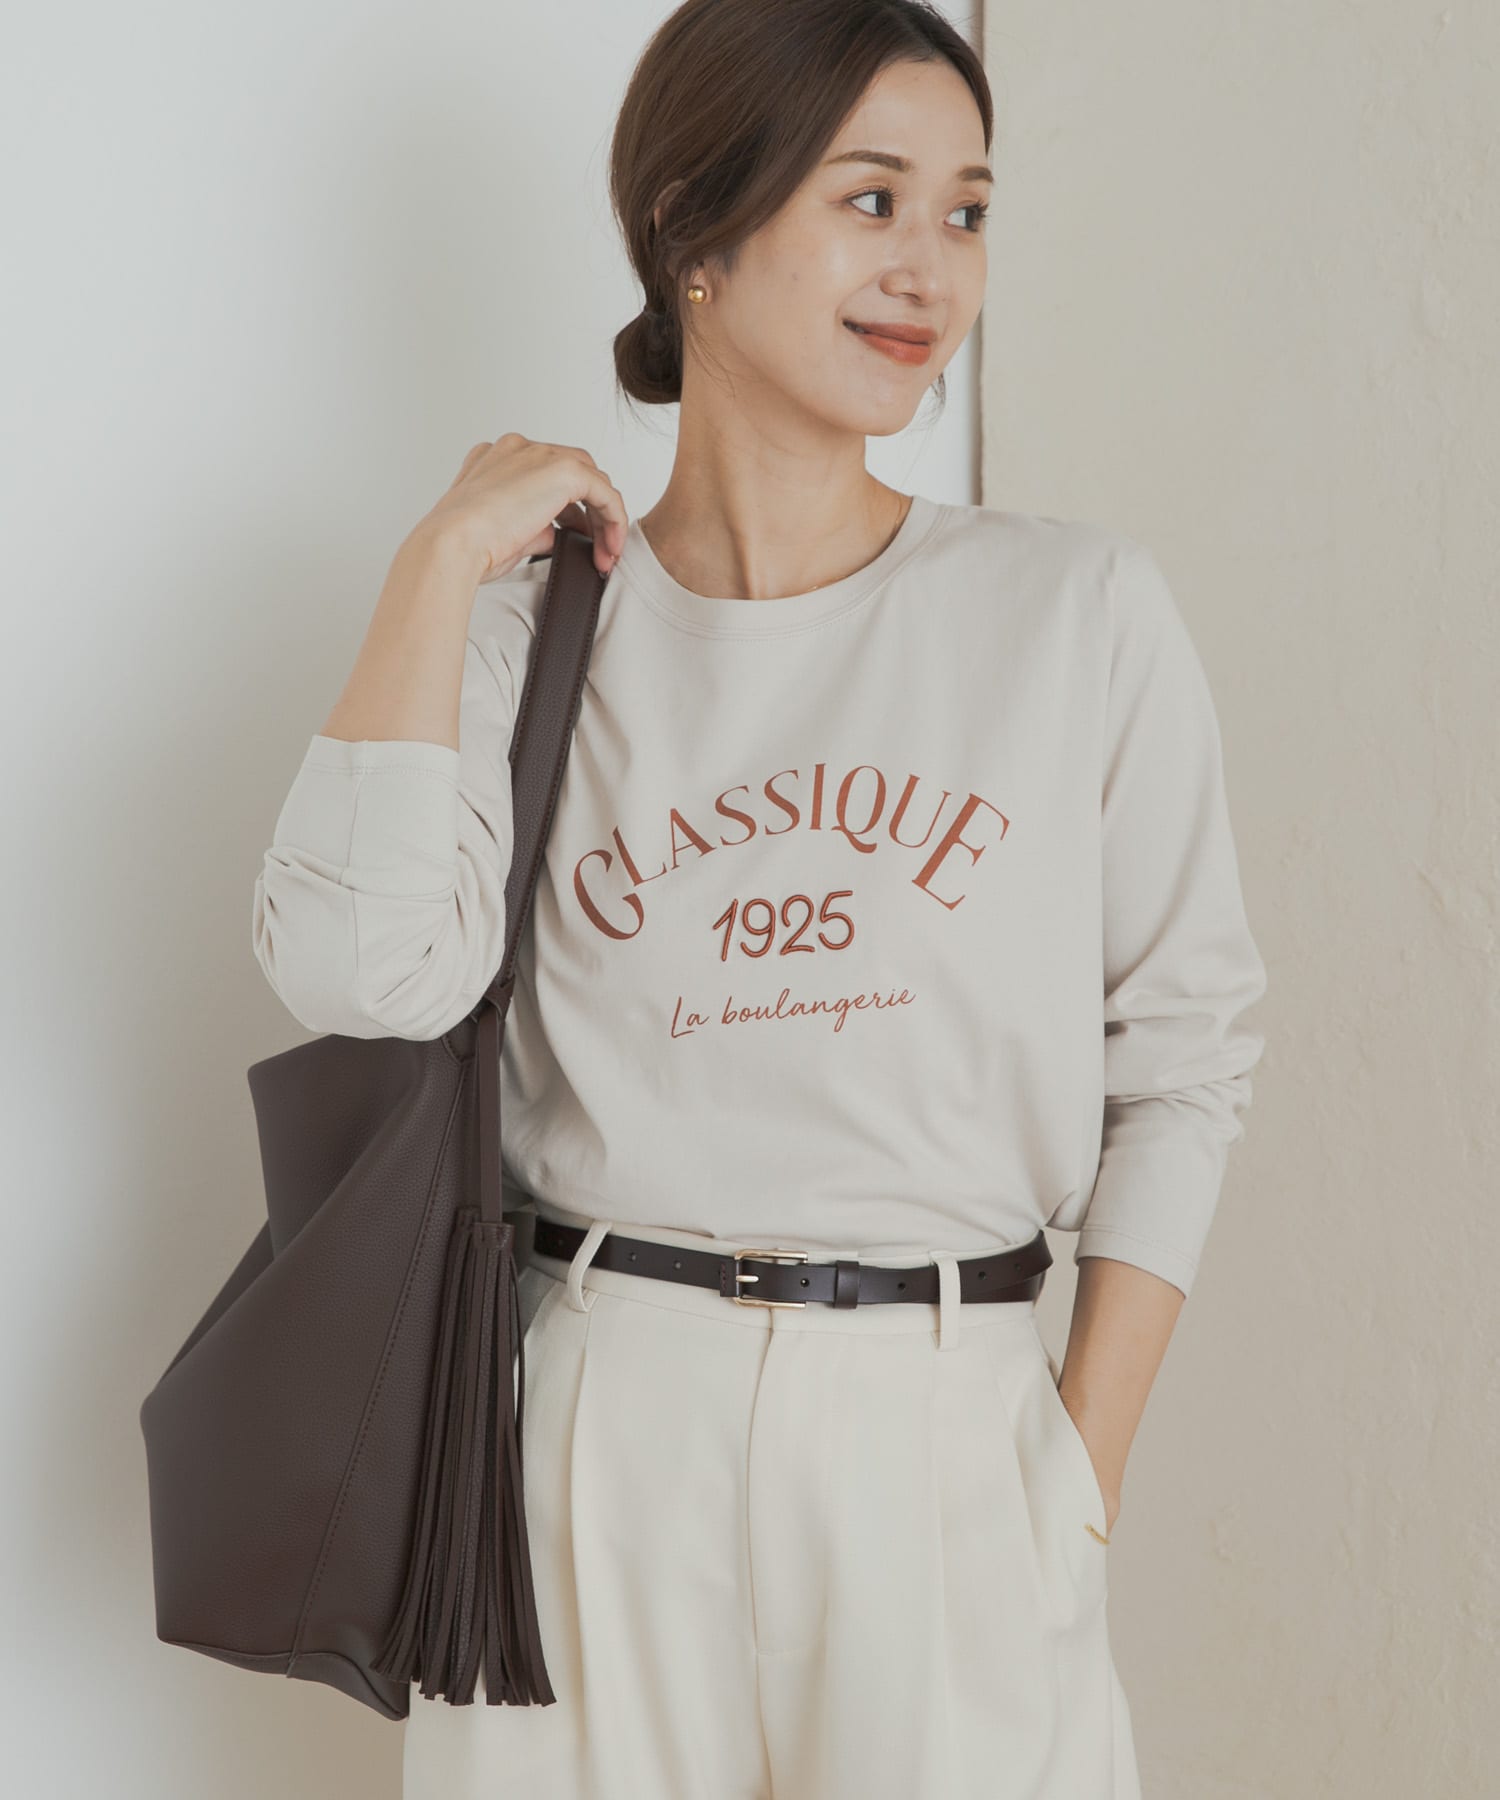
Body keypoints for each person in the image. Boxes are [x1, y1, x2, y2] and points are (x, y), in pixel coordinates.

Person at [249, 2, 1268, 1795]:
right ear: (694, 232)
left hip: (944, 1419)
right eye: (871, 200)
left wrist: (1077, 1474)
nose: (931, 269)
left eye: (967, 211)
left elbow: (1185, 1056)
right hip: (595, 1421)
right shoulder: (529, 637)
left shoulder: (1071, 612)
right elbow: (358, 972)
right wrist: (440, 562)